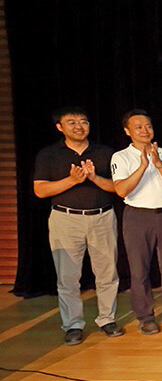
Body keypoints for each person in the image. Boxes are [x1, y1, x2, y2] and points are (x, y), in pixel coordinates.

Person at [33, 106, 123, 345]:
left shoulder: (104, 152)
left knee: (107, 273)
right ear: (59, 127)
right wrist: (71, 180)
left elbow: (118, 188)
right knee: (68, 276)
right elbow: (40, 190)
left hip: (102, 217)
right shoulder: (49, 154)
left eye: (83, 121)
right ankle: (73, 325)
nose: (79, 126)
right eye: (71, 122)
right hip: (66, 219)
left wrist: (94, 178)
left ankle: (107, 319)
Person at [111, 109, 162, 335]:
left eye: (148, 126)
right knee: (139, 269)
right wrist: (142, 166)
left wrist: (157, 163)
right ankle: (145, 316)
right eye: (138, 127)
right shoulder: (121, 157)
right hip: (137, 216)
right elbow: (121, 190)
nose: (144, 130)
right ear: (127, 131)